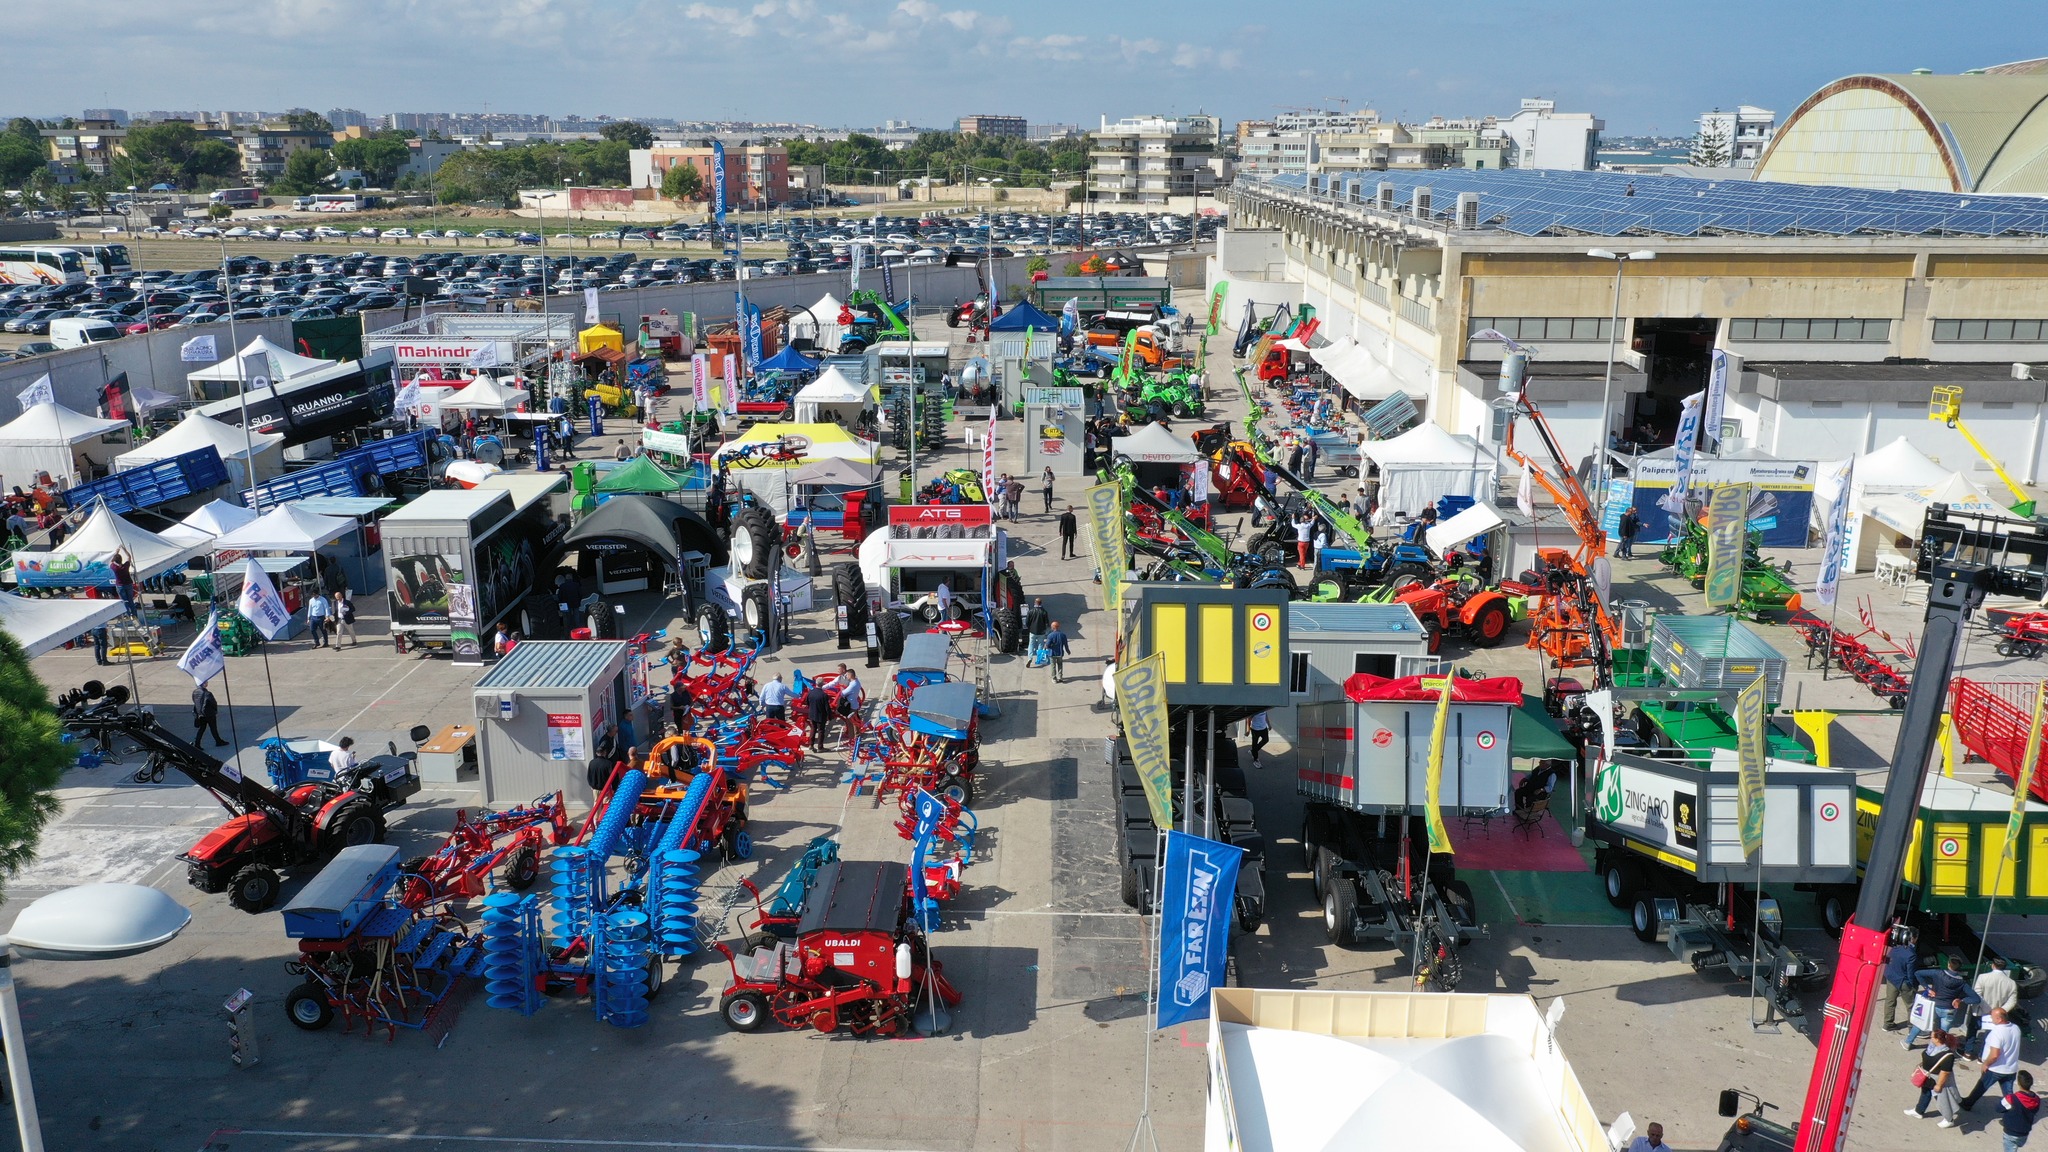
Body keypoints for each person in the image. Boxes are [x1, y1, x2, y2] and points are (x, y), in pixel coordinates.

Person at [1907, 958, 1981, 1049]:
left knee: (1921, 1023)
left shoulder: (1938, 973)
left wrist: (1927, 988)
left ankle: (1908, 1042)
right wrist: (1961, 1000)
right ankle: (1934, 1048)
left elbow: (1917, 973)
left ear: (1949, 965)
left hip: (1933, 1006)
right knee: (1943, 1032)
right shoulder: (1962, 982)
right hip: (1949, 1010)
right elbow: (1976, 999)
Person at [1965, 1007, 2026, 1110]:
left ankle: (1967, 1104)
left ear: (1999, 1019)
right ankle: (2013, 1111)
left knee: (1981, 1087)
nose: (1990, 1018)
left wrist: (1986, 1064)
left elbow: (1994, 1055)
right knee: (2008, 1094)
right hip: (2011, 1068)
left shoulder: (1996, 1033)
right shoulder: (2015, 1028)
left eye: (1992, 1016)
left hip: (1995, 1068)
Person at [1909, 1029, 1963, 1127]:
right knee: (1925, 1092)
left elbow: (1945, 1072)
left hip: (1937, 1080)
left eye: (1932, 1037)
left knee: (1942, 1098)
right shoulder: (1932, 1047)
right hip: (1928, 1076)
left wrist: (1939, 1085)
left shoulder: (1947, 1055)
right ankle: (1919, 1111)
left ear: (1938, 1039)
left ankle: (1949, 1119)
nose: (1931, 1038)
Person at [1881, 926, 1920, 1031]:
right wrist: (1914, 985)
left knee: (1890, 1000)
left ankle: (1888, 1024)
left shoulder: (1895, 948)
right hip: (1903, 981)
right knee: (1911, 1005)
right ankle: (1912, 1028)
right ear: (1913, 938)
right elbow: (1911, 973)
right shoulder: (1911, 954)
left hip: (1891, 977)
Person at [1975, 955, 2021, 1043]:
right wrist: (2000, 1011)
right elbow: (2012, 1000)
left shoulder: (1982, 977)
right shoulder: (2011, 983)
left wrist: (1987, 1009)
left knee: (1973, 1028)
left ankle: (1969, 1052)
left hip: (1981, 1010)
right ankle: (1983, 1054)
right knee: (1991, 1036)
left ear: (1993, 965)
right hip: (1997, 1015)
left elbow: (1977, 995)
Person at [2001, 1071, 2040, 1152]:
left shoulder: (2011, 1098)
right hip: (2024, 1133)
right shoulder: (2036, 1099)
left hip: (2011, 1132)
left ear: (2019, 1083)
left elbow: (1998, 1108)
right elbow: (2035, 1111)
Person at [191, 683, 228, 748]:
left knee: (202, 729)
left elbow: (195, 702)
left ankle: (197, 743)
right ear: (204, 685)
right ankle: (218, 741)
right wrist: (215, 710)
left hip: (200, 714)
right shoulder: (208, 693)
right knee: (213, 728)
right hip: (209, 714)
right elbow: (213, 703)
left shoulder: (194, 692)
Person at [805, 678, 834, 752]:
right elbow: (827, 707)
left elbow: (807, 702)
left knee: (813, 729)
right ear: (823, 684)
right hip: (821, 716)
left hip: (812, 714)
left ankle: (811, 745)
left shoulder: (810, 693)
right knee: (821, 731)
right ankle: (820, 747)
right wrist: (830, 716)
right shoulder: (824, 695)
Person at [109, 548, 137, 617]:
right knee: (130, 600)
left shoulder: (114, 567)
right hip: (128, 584)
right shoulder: (126, 566)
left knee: (124, 601)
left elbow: (111, 561)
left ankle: (128, 615)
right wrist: (124, 549)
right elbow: (129, 557)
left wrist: (116, 553)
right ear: (121, 560)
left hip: (120, 586)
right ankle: (134, 615)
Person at [1026, 597, 1051, 661]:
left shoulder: (1031, 611)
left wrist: (1029, 628)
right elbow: (1047, 623)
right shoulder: (1044, 612)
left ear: (1035, 603)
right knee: (1040, 645)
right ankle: (1039, 658)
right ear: (1041, 603)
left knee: (1031, 644)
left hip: (1032, 631)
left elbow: (1027, 622)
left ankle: (1030, 658)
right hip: (1041, 632)